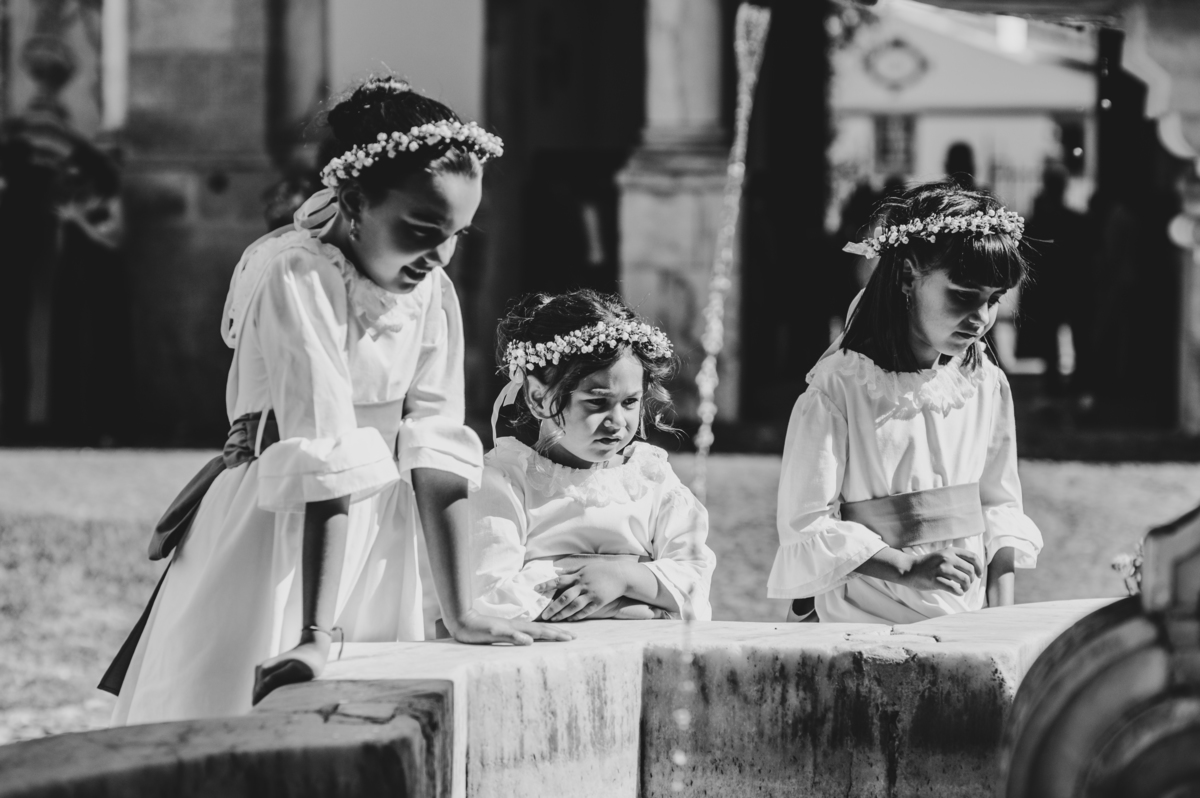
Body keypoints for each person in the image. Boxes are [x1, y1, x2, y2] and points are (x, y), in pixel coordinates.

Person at [102, 75, 572, 725]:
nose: (437, 254)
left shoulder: (432, 291)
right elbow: (325, 453)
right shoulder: (296, 275)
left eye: (457, 235)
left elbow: (437, 440)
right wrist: (316, 631)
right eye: (419, 227)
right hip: (282, 517)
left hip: (382, 525)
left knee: (359, 727)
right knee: (239, 715)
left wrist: (461, 610)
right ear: (354, 202)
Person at [767, 181, 1043, 624]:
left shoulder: (984, 384)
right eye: (962, 294)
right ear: (907, 275)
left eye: (993, 301)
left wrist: (1001, 619)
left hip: (966, 624)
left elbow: (1000, 504)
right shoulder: (838, 389)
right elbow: (806, 525)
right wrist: (905, 568)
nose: (980, 319)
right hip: (860, 622)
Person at [472, 290, 716, 623]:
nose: (617, 422)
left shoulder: (651, 479)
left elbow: (694, 582)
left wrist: (622, 578)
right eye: (597, 402)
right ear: (538, 397)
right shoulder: (505, 482)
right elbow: (491, 599)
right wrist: (638, 604)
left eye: (630, 402)